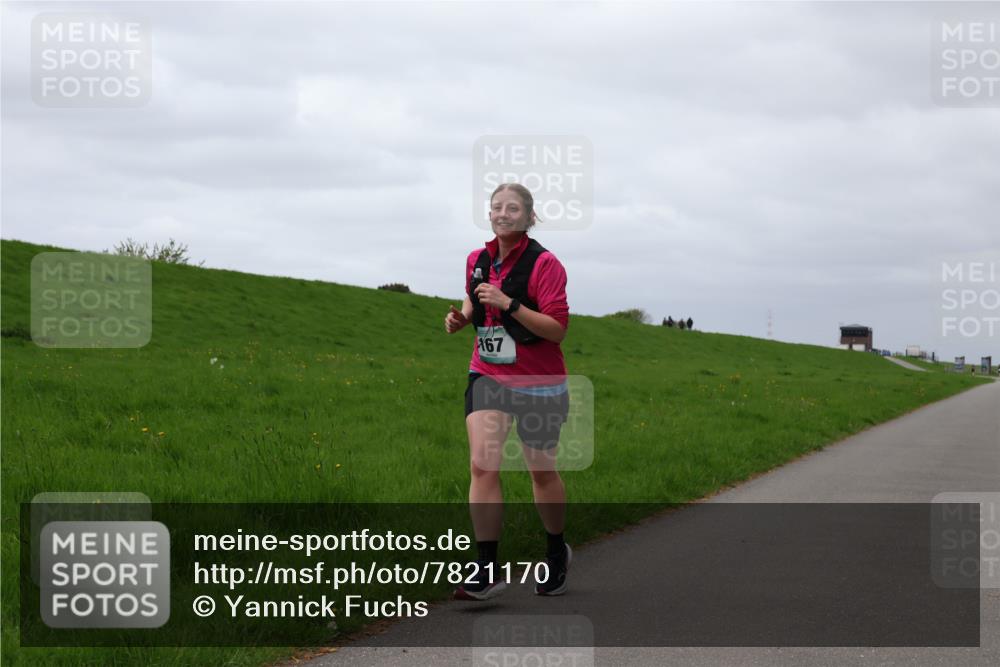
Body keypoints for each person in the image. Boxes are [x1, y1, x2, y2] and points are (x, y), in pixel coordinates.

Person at [444, 183, 572, 600]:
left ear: (529, 216)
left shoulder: (545, 265)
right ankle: (486, 567)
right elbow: (473, 298)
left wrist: (509, 304)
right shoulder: (476, 259)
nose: (502, 214)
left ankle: (556, 550)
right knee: (483, 464)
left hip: (538, 381)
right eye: (497, 207)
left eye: (512, 208)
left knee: (541, 471)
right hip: (488, 374)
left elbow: (557, 330)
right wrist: (463, 318)